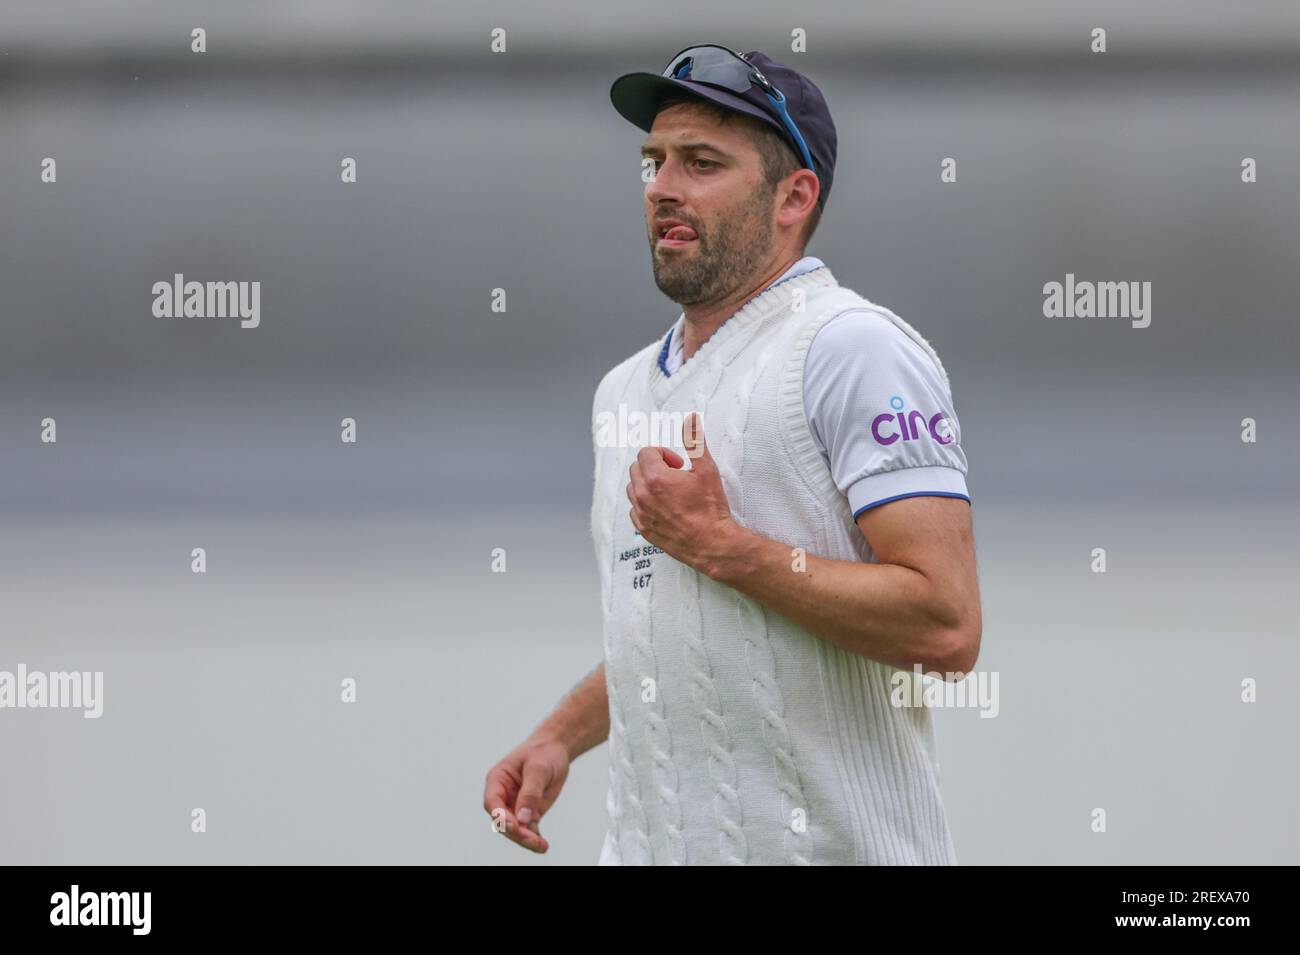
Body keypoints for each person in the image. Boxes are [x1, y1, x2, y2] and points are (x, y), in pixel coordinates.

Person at [484, 44, 981, 865]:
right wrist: (558, 737)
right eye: (654, 162)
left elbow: (949, 624)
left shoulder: (851, 348)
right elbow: (683, 627)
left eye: (703, 162)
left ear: (795, 196)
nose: (664, 188)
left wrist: (728, 547)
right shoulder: (623, 392)